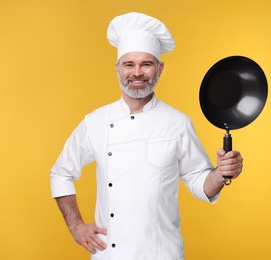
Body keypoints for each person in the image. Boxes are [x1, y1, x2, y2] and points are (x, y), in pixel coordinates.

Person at [50, 12, 243, 260]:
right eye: (129, 64)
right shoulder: (95, 122)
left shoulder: (178, 123)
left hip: (162, 254)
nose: (137, 73)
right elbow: (61, 172)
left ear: (160, 69)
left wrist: (220, 172)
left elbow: (199, 181)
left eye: (146, 64)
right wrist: (75, 226)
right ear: (117, 68)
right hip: (109, 255)